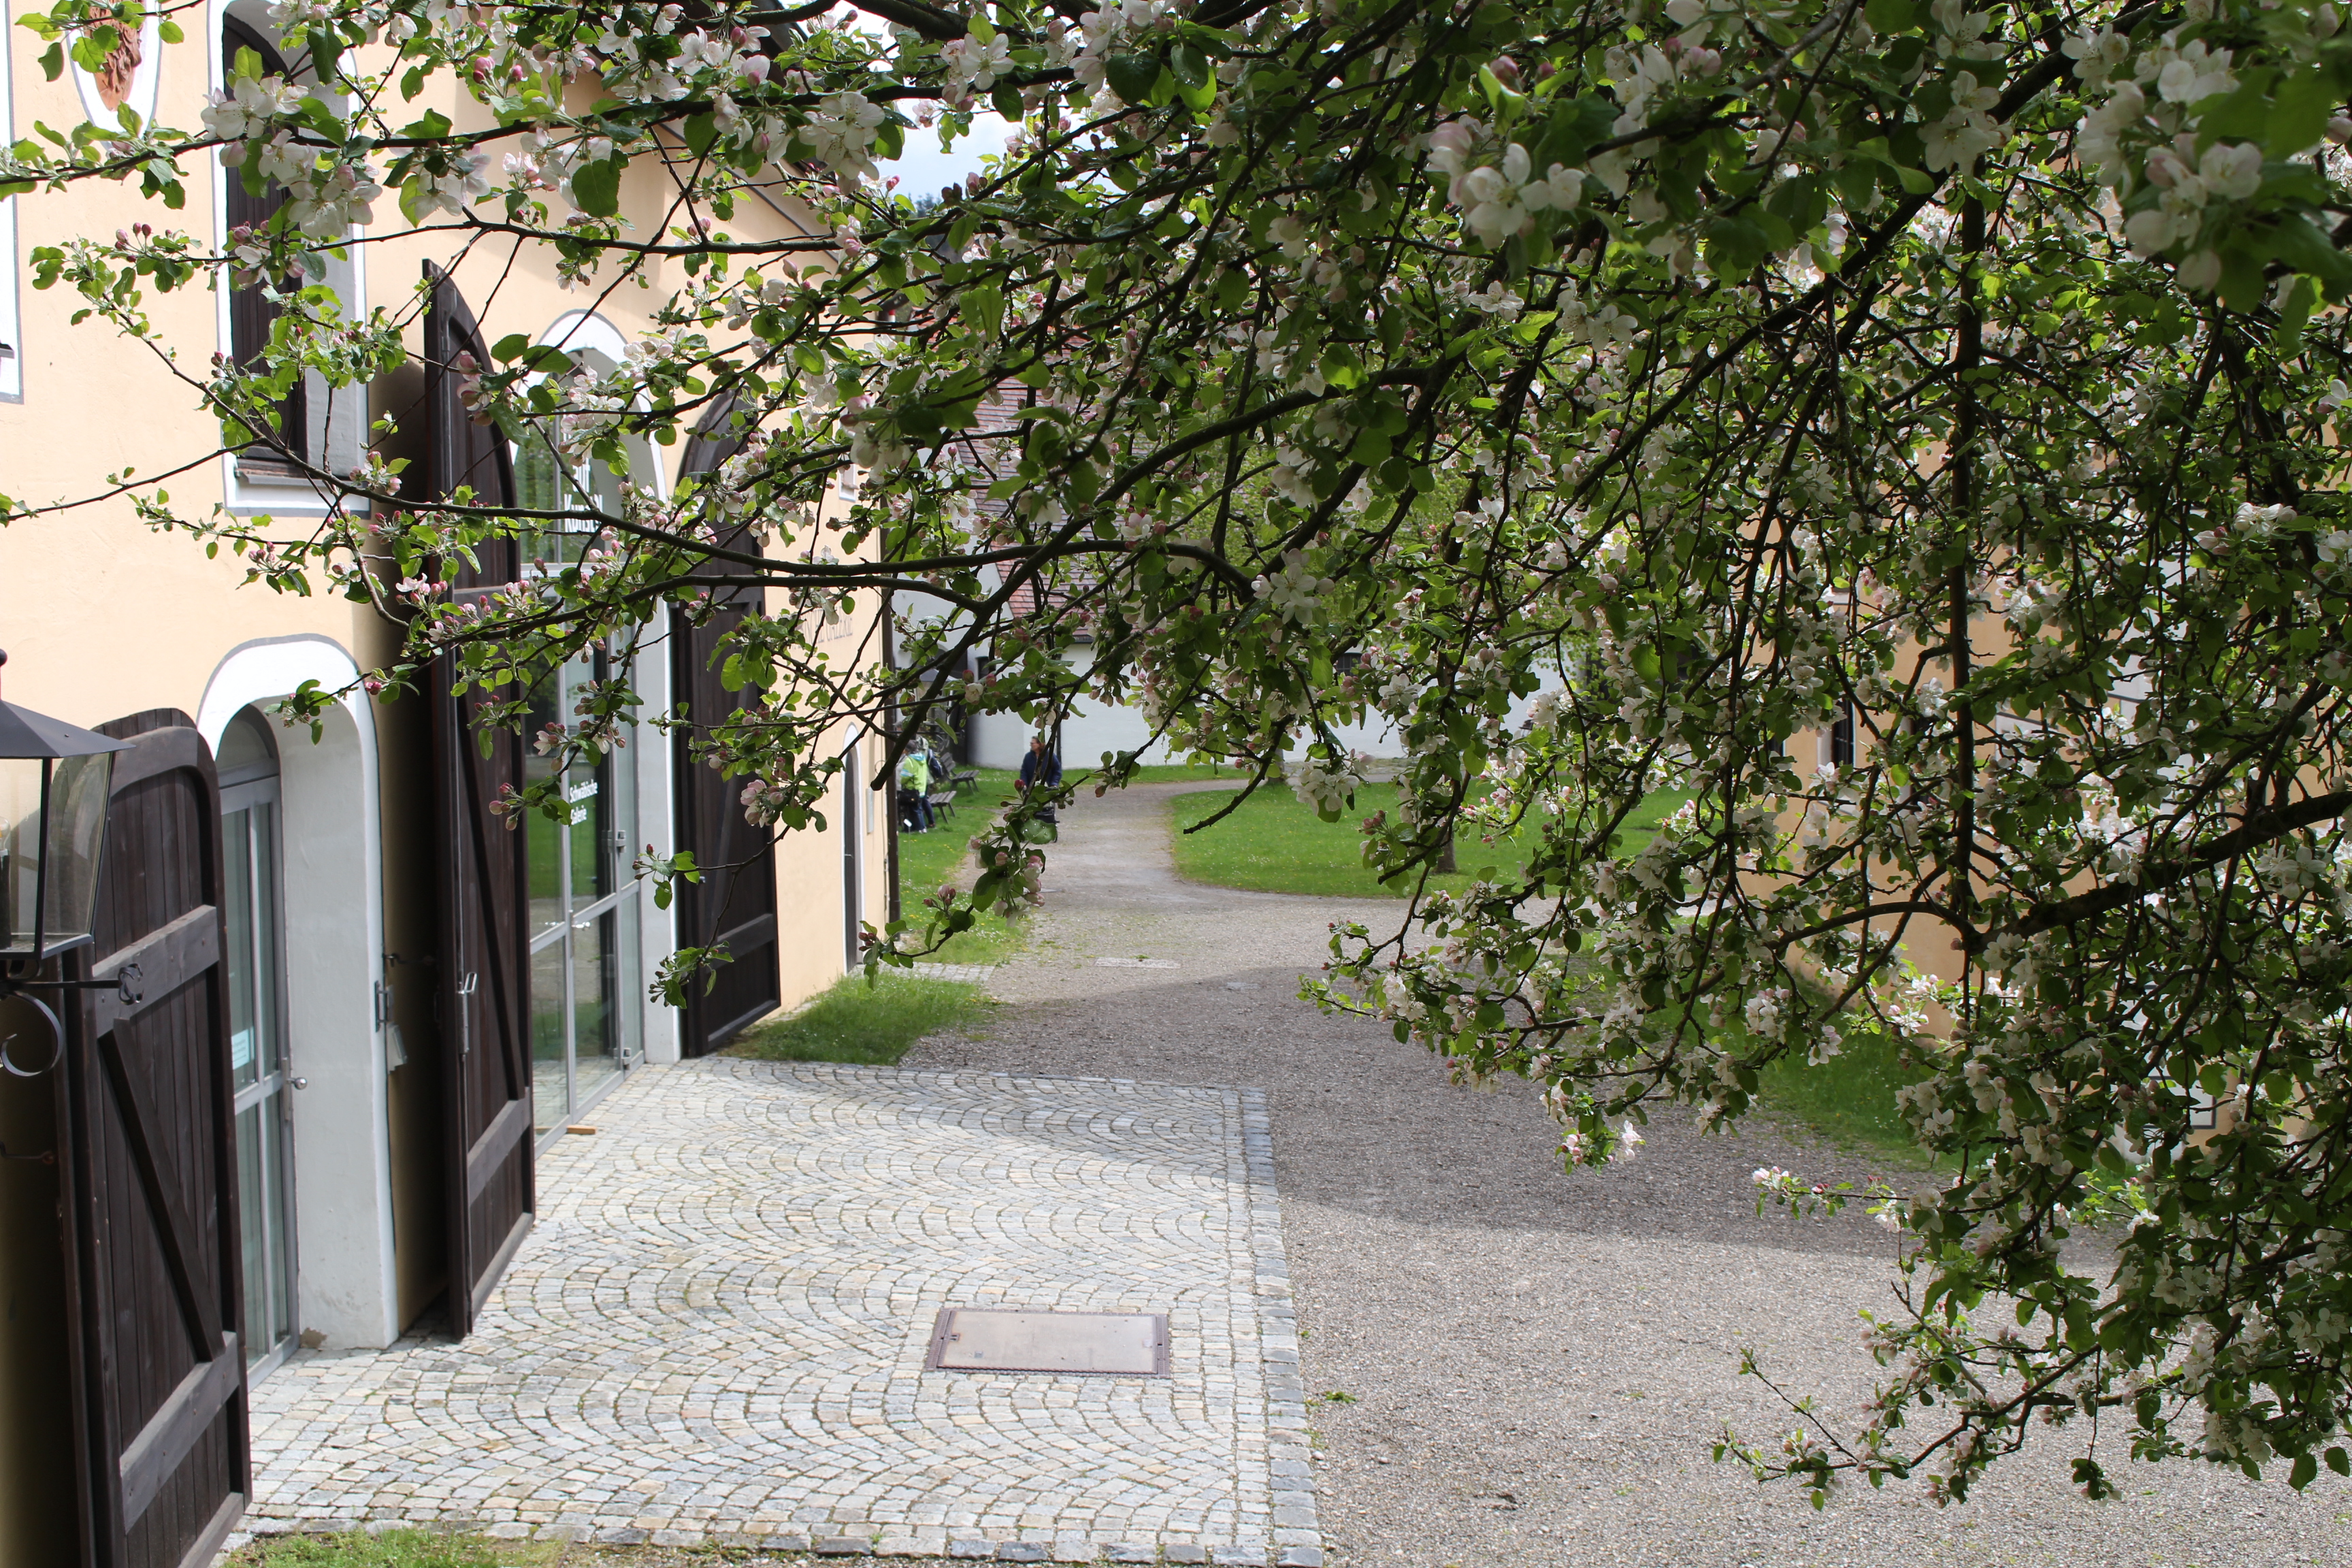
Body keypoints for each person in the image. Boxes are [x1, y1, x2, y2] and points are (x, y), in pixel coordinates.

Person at [1018, 733, 1061, 839]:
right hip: (1031, 787)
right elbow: (1024, 771)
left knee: (1046, 805)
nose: (1031, 745)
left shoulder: (1049, 756)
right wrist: (1024, 784)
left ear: (1039, 744)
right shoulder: (1029, 757)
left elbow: (1057, 771)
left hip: (1047, 786)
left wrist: (1054, 784)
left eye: (1033, 743)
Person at [898, 745, 933, 832]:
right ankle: (916, 828)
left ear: (907, 750)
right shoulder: (922, 758)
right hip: (921, 787)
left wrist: (901, 782)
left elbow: (906, 776)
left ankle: (921, 828)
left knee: (914, 809)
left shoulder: (910, 760)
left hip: (912, 788)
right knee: (918, 808)